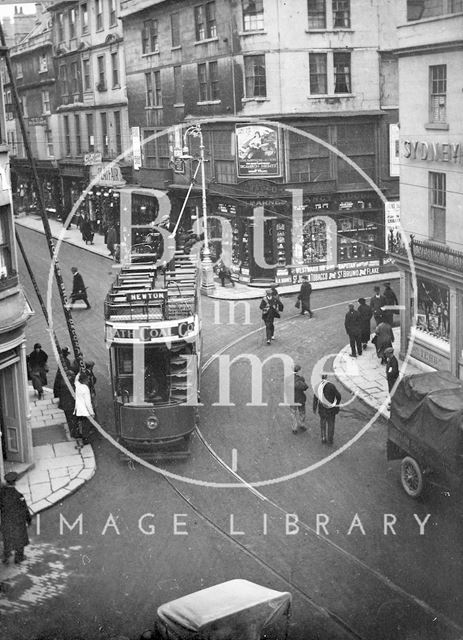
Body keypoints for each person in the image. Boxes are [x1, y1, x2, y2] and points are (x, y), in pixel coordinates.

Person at [0, 471, 32, 564]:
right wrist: (28, 520)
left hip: (6, 521)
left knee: (7, 538)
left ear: (6, 482)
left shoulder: (1, 494)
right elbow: (25, 509)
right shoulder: (19, 496)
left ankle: (6, 556)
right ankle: (19, 557)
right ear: (15, 482)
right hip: (17, 522)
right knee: (19, 538)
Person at [313, 375, 341, 445]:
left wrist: (314, 408)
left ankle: (323, 437)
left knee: (322, 423)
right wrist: (336, 404)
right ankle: (330, 439)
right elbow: (338, 396)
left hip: (322, 409)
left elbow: (315, 398)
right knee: (331, 424)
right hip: (331, 409)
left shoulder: (317, 386)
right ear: (326, 377)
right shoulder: (331, 386)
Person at [73, 371, 95, 448]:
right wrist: (92, 413)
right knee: (86, 425)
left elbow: (75, 380)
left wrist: (79, 373)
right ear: (84, 380)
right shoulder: (85, 388)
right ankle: (85, 440)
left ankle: (81, 435)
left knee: (81, 423)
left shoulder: (77, 385)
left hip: (78, 409)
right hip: (84, 410)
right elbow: (88, 403)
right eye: (87, 379)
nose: (88, 380)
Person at [288, 364, 308, 434]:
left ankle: (294, 428)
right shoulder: (300, 379)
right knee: (302, 412)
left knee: (293, 413)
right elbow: (305, 387)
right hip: (300, 399)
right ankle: (302, 424)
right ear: (298, 371)